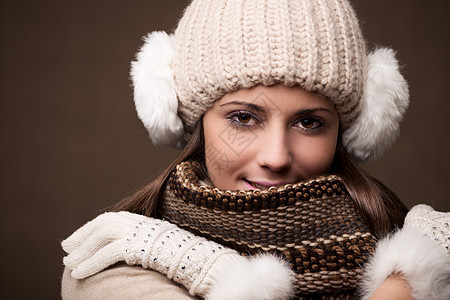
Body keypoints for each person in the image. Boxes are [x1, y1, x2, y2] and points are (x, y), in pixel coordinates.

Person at [61, 0, 450, 299]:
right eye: (244, 118)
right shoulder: (111, 264)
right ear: (195, 121)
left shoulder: (403, 242)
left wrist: (421, 266)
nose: (276, 157)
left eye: (309, 122)